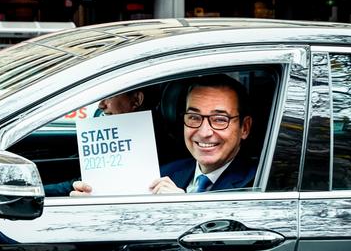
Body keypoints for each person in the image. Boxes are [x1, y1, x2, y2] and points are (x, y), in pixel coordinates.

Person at [71, 74, 255, 196]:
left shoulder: (259, 184)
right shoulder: (166, 172)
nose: (205, 132)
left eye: (219, 119)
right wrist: (92, 199)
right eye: (193, 117)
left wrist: (184, 208)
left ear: (244, 128)